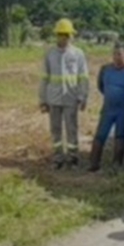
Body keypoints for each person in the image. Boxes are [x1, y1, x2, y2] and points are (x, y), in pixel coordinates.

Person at [39, 18, 89, 169]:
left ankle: (73, 158)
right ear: (57, 35)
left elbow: (83, 77)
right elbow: (44, 78)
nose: (64, 37)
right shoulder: (50, 54)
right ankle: (58, 157)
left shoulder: (78, 54)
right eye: (61, 34)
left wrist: (83, 96)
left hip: (71, 98)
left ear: (71, 36)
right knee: (55, 130)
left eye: (67, 34)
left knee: (72, 128)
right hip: (53, 98)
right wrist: (42, 99)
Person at [88, 43, 124, 172]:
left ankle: (116, 165)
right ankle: (94, 163)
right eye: (114, 54)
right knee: (100, 135)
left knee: (120, 136)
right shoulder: (105, 69)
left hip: (122, 109)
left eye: (120, 54)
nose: (117, 57)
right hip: (108, 108)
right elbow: (101, 86)